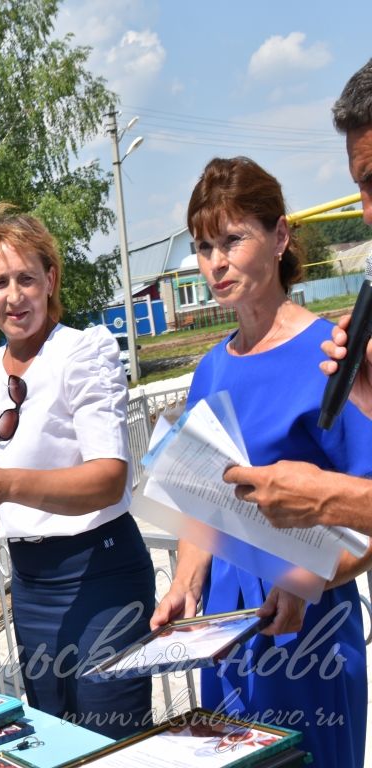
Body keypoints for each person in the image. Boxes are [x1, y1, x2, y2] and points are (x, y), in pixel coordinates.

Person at [150, 157, 372, 768]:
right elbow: (202, 505)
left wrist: (303, 582)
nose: (215, 263)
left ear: (279, 238)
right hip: (229, 630)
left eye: (232, 239)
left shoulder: (332, 354)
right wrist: (185, 583)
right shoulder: (209, 369)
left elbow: (368, 510)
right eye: (202, 246)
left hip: (308, 629)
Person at [0, 203, 154, 739]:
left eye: (27, 278)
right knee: (55, 742)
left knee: (110, 746)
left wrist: (6, 484)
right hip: (31, 588)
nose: (14, 296)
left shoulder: (83, 351)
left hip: (101, 577)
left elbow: (108, 477)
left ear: (50, 279)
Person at [220, 58, 372, 537]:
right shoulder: (212, 365)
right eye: (361, 187)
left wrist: (330, 498)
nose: (367, 214)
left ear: (279, 238)